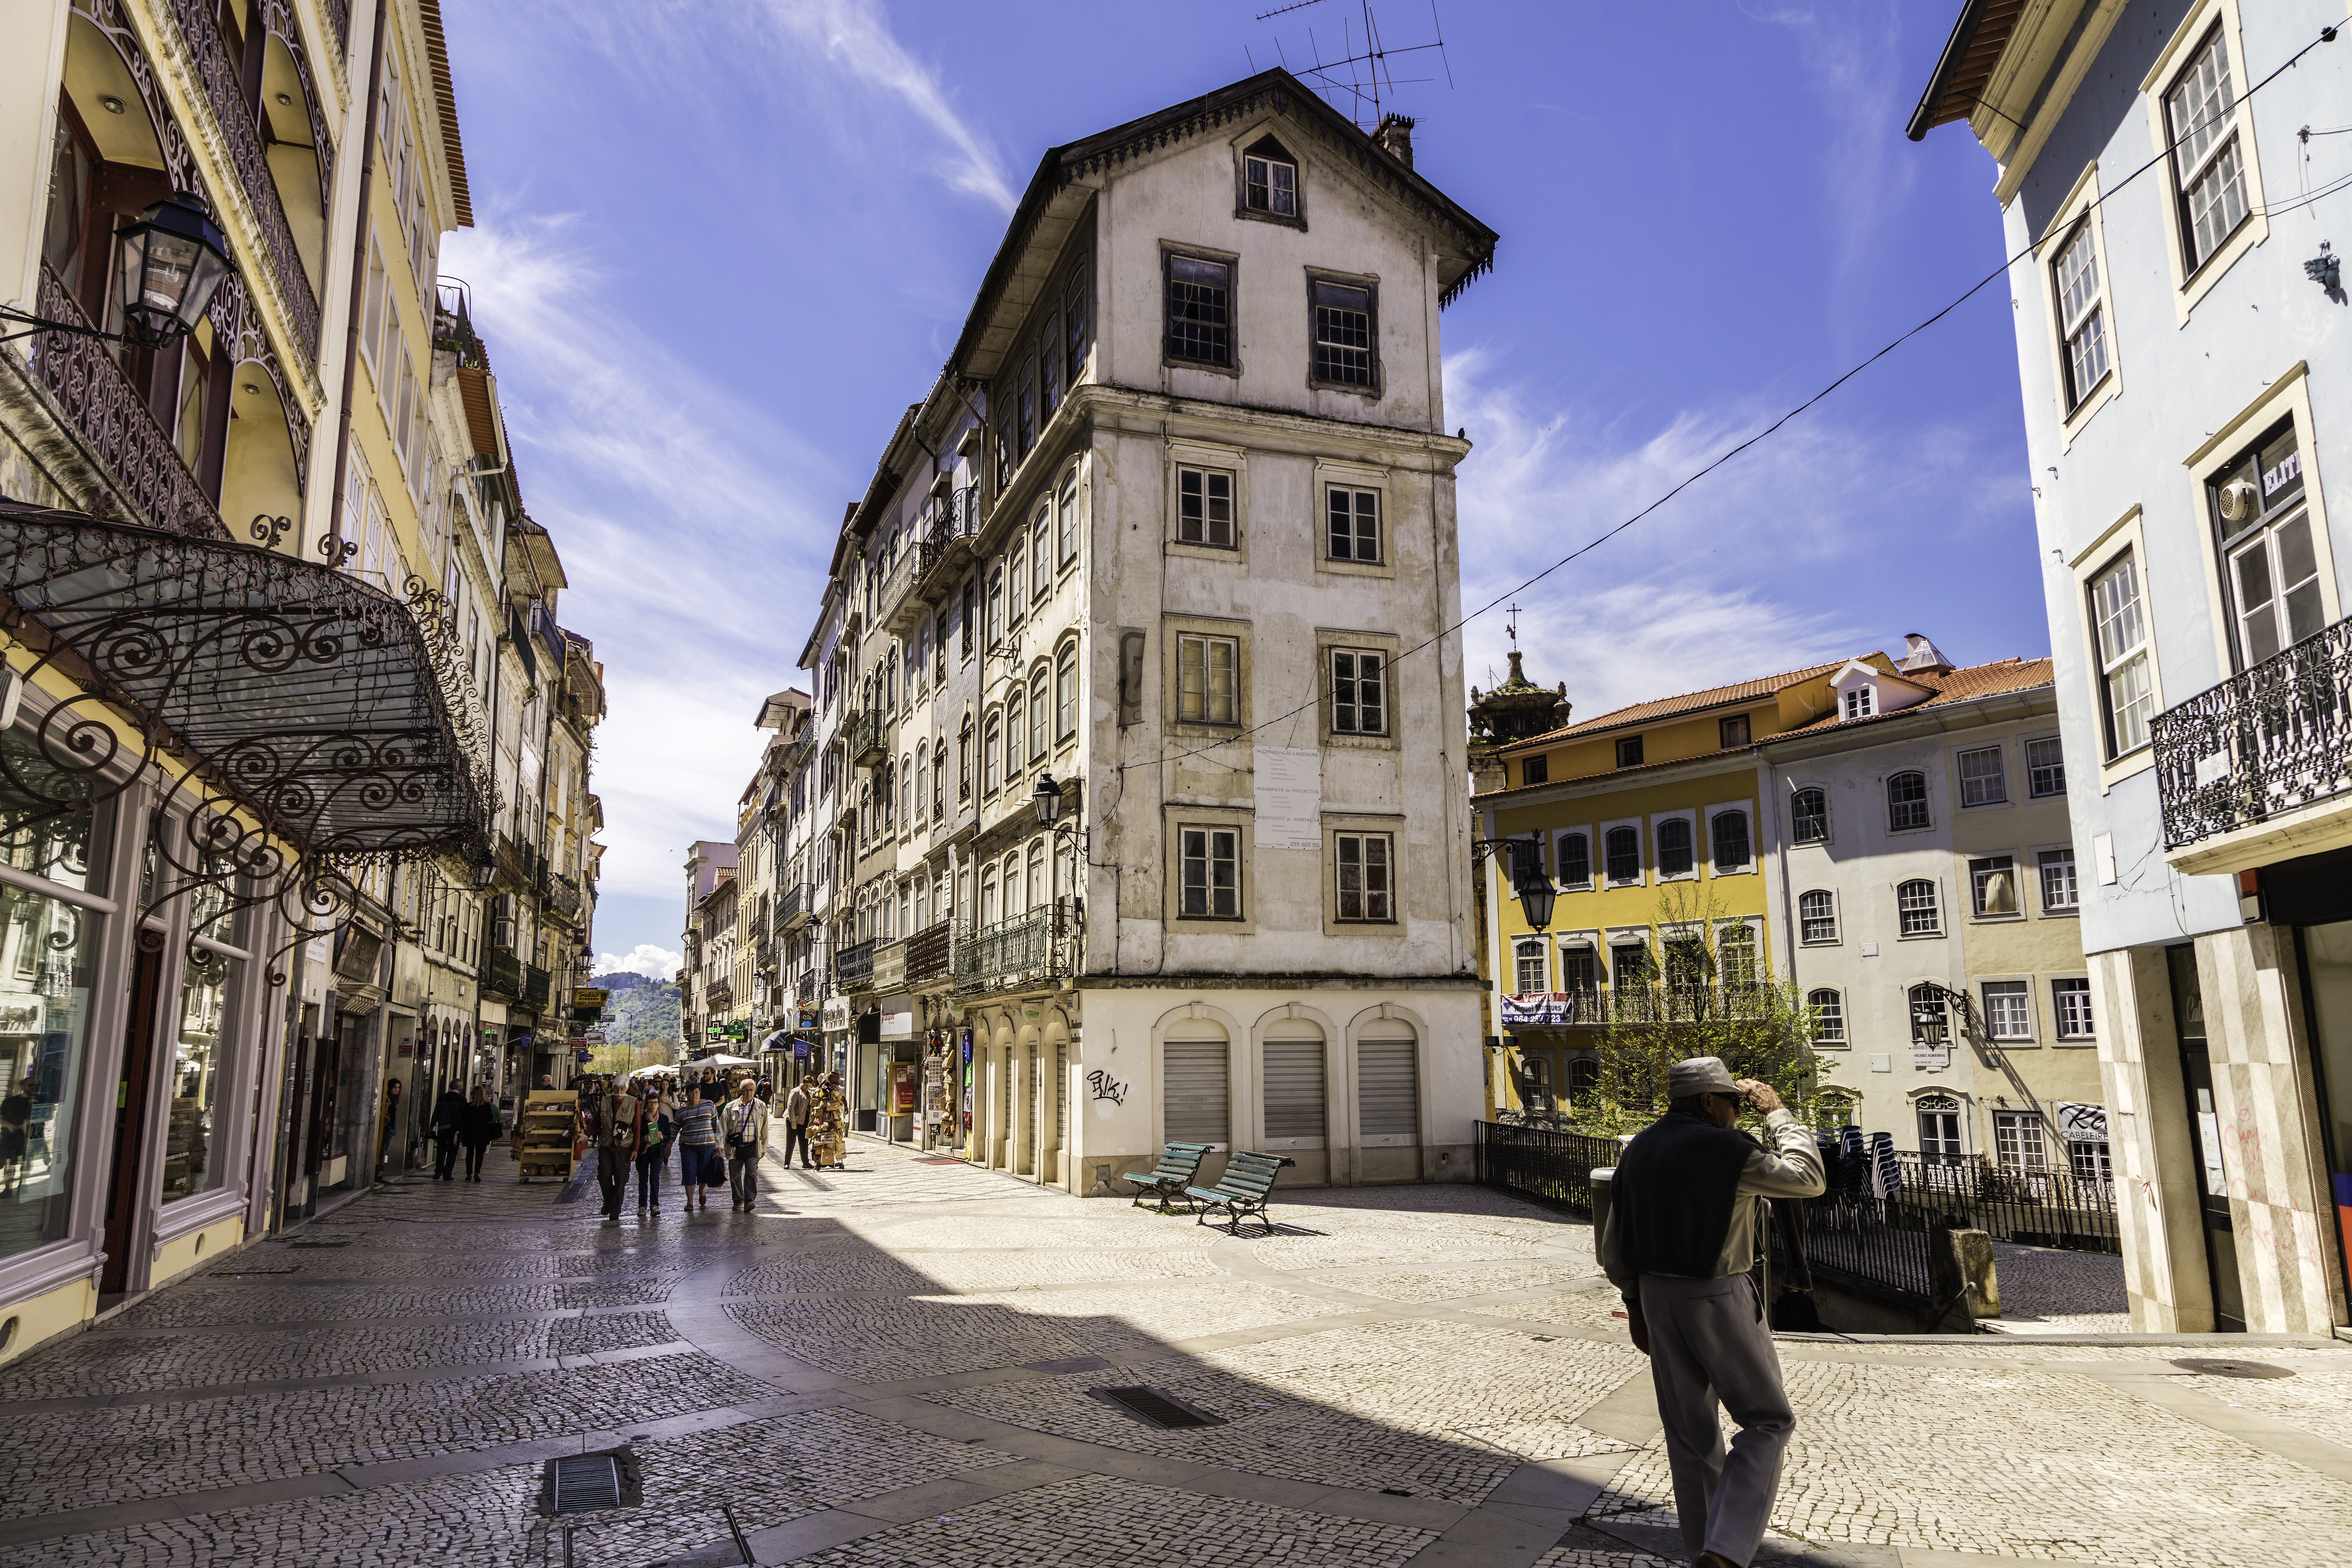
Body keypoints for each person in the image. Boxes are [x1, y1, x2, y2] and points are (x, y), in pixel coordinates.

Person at [1599, 1057, 1825, 1568]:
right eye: (1731, 1102)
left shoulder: (1640, 1149)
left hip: (1656, 1297)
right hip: (1718, 1293)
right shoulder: (1729, 1153)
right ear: (1708, 1101)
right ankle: (1724, 1554)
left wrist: (1634, 1304)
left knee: (1689, 1433)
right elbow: (1808, 1179)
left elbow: (1614, 1243)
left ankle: (1703, 1550)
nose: (1737, 1113)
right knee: (1767, 1421)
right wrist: (1779, 1114)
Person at [589, 1076, 639, 1220]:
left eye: (622, 1089)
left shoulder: (634, 1102)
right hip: (606, 1146)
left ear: (627, 1089)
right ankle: (609, 1201)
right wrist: (586, 1135)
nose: (619, 1091)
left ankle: (615, 1212)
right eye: (617, 1088)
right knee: (603, 1176)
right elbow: (595, 1124)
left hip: (624, 1147)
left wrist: (635, 1149)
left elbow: (637, 1128)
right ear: (613, 1088)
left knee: (621, 1179)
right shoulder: (605, 1102)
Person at [723, 1078, 770, 1210]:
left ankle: (750, 1200)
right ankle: (738, 1201)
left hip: (753, 1146)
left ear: (755, 1091)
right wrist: (719, 1145)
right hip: (735, 1148)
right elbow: (723, 1127)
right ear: (740, 1091)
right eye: (745, 1090)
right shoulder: (731, 1107)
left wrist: (764, 1147)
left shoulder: (761, 1106)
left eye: (751, 1090)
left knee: (752, 1173)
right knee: (735, 1176)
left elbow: (765, 1129)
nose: (748, 1093)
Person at [673, 1086, 722, 1211]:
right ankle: (690, 1202)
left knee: (703, 1172)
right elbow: (674, 1130)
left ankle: (702, 1190)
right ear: (687, 1095)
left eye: (696, 1092)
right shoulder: (682, 1111)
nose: (694, 1095)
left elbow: (717, 1126)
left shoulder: (710, 1105)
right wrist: (667, 1148)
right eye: (691, 1093)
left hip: (707, 1145)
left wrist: (719, 1145)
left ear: (700, 1093)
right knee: (689, 1172)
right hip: (688, 1147)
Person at [634, 1079, 675, 1214]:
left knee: (655, 1178)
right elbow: (635, 1137)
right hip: (644, 1152)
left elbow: (669, 1137)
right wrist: (644, 1139)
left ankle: (654, 1205)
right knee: (643, 1179)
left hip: (658, 1151)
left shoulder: (663, 1119)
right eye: (650, 1103)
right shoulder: (641, 1119)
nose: (653, 1105)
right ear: (647, 1104)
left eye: (655, 1103)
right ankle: (642, 1206)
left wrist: (663, 1137)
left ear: (659, 1104)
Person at [458, 1085, 503, 1182]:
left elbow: (463, 1120)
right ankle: (477, 1174)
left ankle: (469, 1174)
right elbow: (490, 1119)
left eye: (472, 1093)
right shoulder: (487, 1106)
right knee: (480, 1154)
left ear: (475, 1095)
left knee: (470, 1153)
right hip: (482, 1133)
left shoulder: (467, 1106)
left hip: (470, 1133)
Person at [809, 1072, 848, 1171]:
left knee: (834, 1139)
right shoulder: (822, 1089)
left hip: (832, 1118)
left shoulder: (836, 1089)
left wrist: (845, 1106)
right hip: (823, 1118)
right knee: (822, 1139)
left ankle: (828, 1160)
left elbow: (842, 1100)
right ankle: (821, 1160)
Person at [0, 1077, 31, 1197]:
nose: (34, 1087)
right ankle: (8, 1188)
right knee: (9, 1162)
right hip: (11, 1136)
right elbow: (1, 1119)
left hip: (28, 1136)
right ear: (23, 1086)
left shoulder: (39, 1101)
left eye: (36, 1085)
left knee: (26, 1162)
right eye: (30, 1085)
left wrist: (28, 1123)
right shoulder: (10, 1102)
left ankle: (22, 1185)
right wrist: (9, 1126)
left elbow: (47, 1116)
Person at [431, 1081, 465, 1180]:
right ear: (458, 1087)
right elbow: (463, 1117)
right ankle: (447, 1174)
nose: (463, 1088)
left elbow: (436, 1114)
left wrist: (431, 1127)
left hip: (443, 1129)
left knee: (441, 1150)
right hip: (455, 1131)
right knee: (453, 1152)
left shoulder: (442, 1098)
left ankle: (438, 1171)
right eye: (462, 1086)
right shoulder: (462, 1100)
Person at [782, 1074, 814, 1169]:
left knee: (804, 1142)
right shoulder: (796, 1092)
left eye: (809, 1086)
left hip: (804, 1121)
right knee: (791, 1143)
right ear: (802, 1083)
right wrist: (793, 1121)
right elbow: (790, 1107)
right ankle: (787, 1163)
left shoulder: (809, 1093)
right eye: (806, 1085)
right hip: (794, 1120)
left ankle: (806, 1163)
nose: (807, 1088)